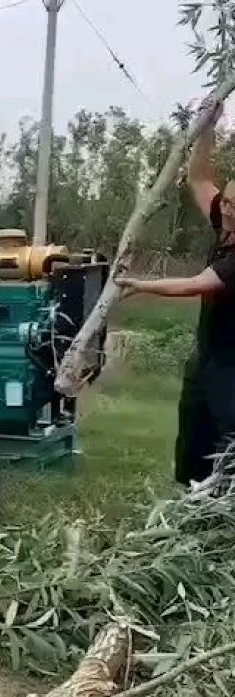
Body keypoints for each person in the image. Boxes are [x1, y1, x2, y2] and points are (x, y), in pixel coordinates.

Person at [115, 101, 235, 486]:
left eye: (233, 205)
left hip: (233, 372)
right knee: (193, 446)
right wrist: (206, 130)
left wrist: (138, 284)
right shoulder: (226, 222)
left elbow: (194, 285)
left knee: (226, 450)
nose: (225, 208)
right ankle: (191, 507)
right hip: (206, 361)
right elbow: (199, 178)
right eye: (227, 200)